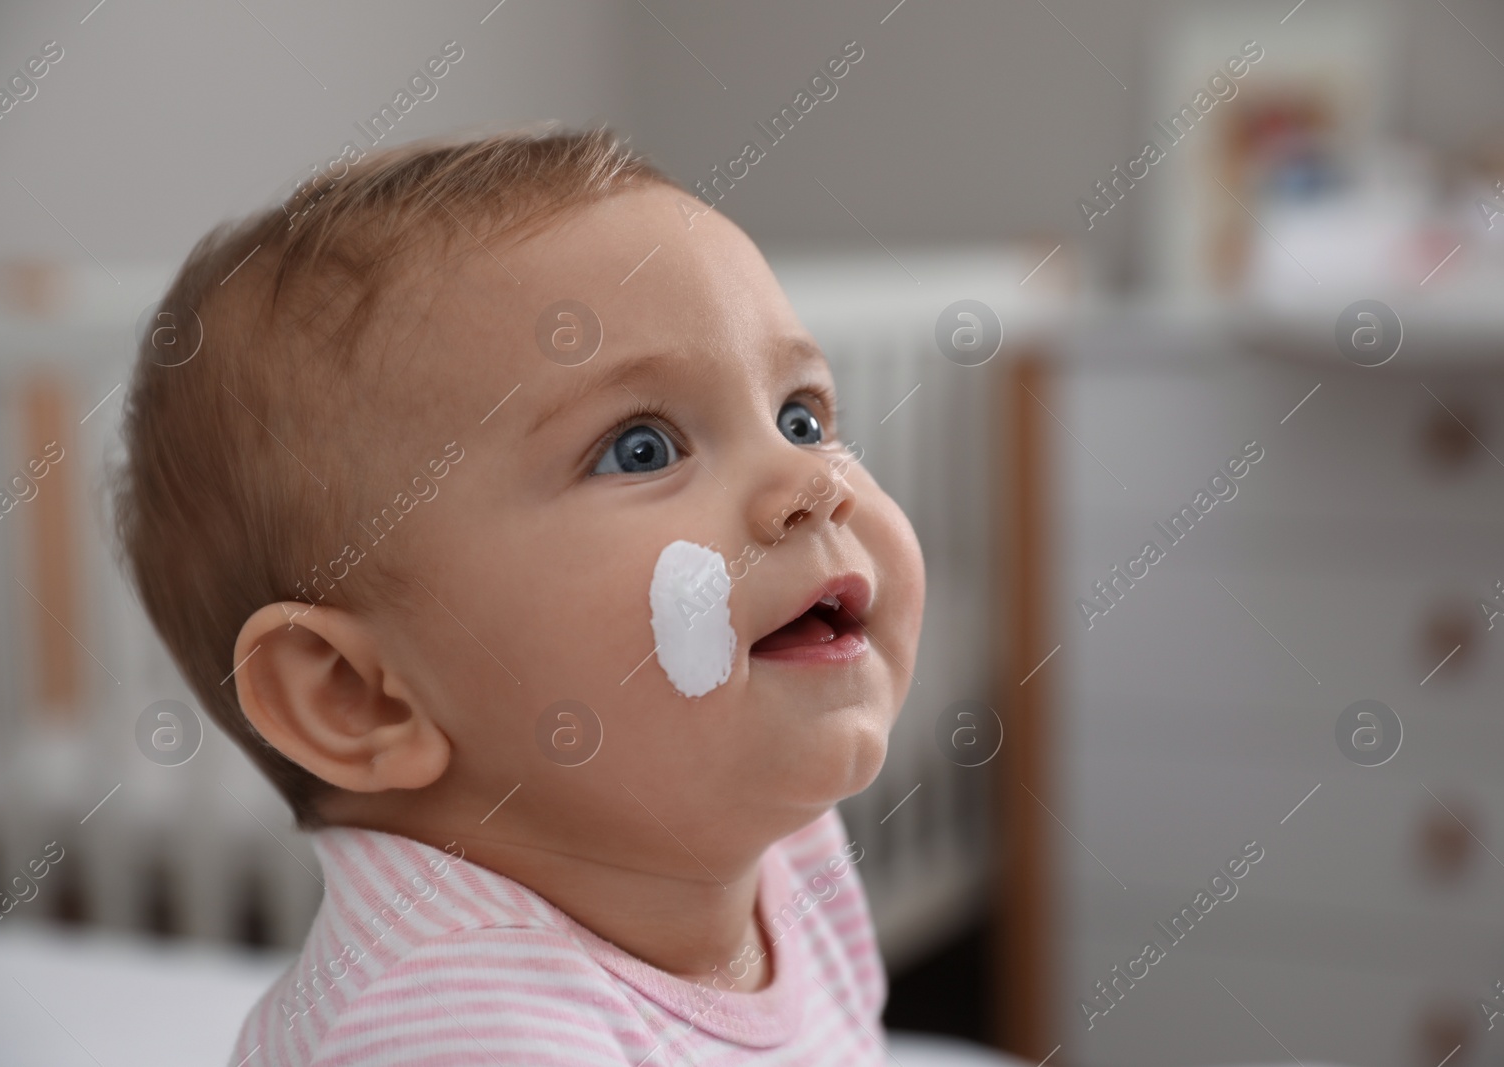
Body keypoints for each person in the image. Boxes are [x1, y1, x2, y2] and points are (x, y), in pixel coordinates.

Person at [111, 127, 927, 1065]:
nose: (811, 483)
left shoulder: (790, 856)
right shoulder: (461, 1028)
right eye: (641, 448)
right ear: (358, 693)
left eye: (803, 417)